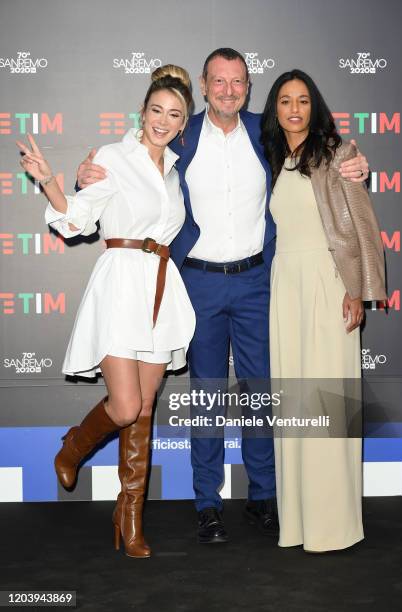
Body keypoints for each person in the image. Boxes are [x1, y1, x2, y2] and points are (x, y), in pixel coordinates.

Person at [77, 48, 370, 545]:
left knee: (260, 396)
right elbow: (130, 155)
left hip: (260, 281)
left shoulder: (268, 131)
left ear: (249, 87)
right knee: (208, 396)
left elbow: (319, 153)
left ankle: (263, 498)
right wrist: (86, 176)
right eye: (219, 81)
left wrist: (355, 163)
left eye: (238, 82)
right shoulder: (181, 132)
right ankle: (207, 504)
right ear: (205, 85)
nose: (228, 90)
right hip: (198, 283)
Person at [16, 65, 196, 558]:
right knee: (122, 406)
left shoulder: (176, 171)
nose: (163, 120)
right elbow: (77, 218)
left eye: (174, 114)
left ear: (184, 123)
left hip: (160, 289)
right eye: (156, 110)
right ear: (142, 112)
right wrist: (51, 181)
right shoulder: (113, 157)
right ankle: (72, 447)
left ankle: (130, 514)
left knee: (144, 406)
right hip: (120, 283)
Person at [261, 69, 386, 552]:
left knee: (330, 402)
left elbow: (365, 228)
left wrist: (358, 291)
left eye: (304, 101)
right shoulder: (273, 156)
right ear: (274, 108)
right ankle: (298, 521)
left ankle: (333, 523)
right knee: (295, 403)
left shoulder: (340, 154)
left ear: (316, 107)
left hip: (329, 281)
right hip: (285, 286)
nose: (295, 109)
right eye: (286, 101)